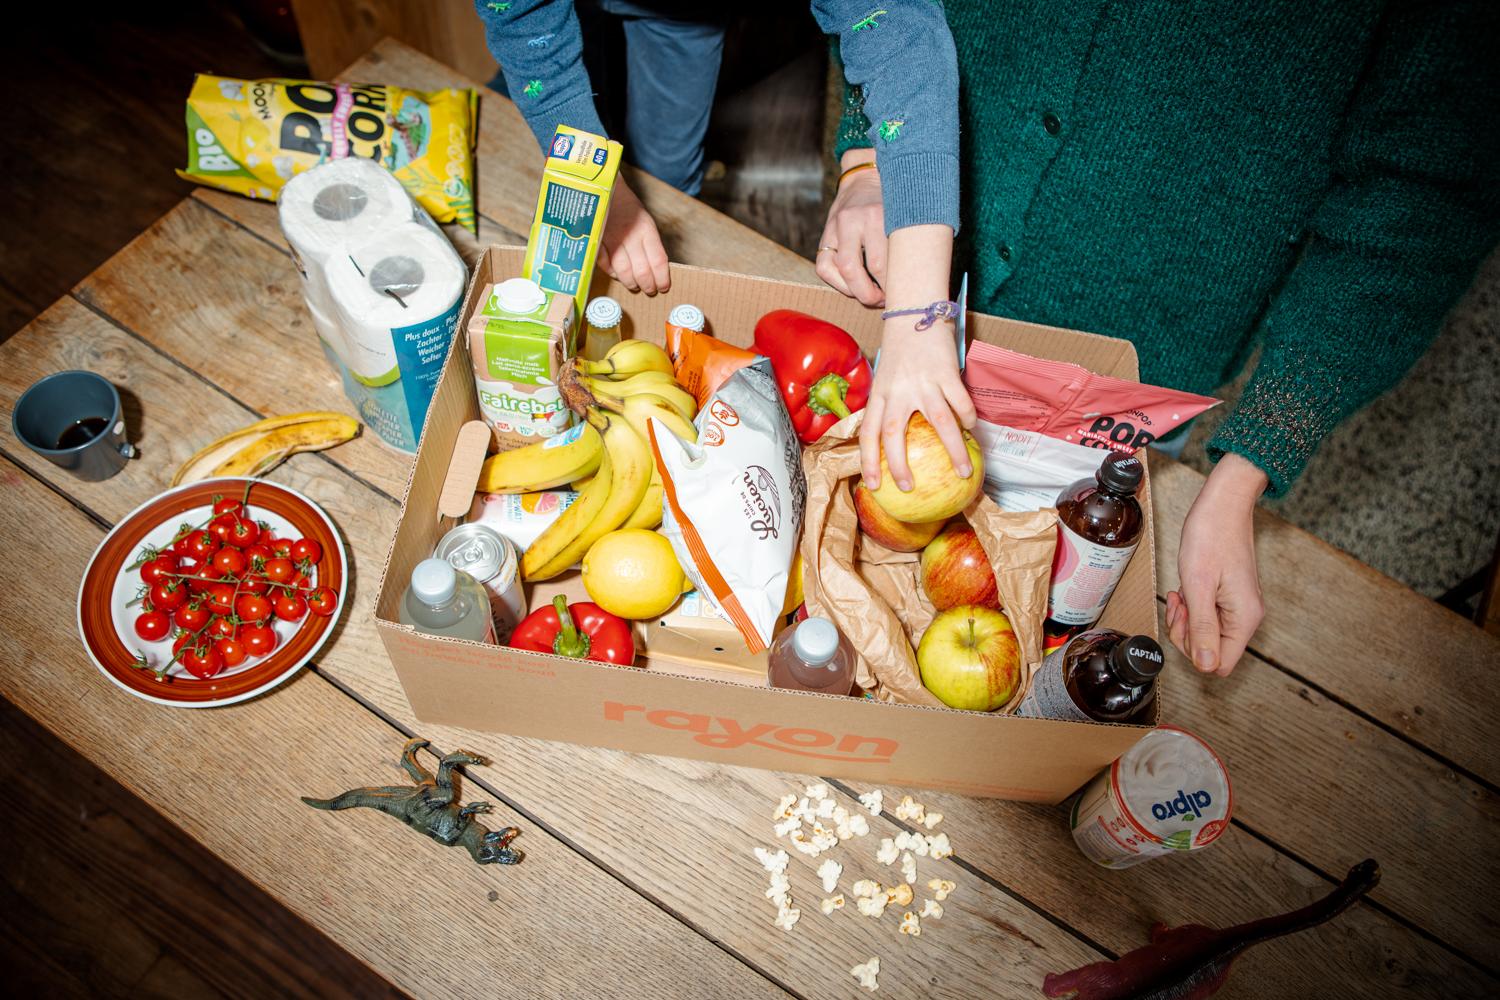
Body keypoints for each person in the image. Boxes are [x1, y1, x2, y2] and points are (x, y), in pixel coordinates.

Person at [822, 0, 1500, 676]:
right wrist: (871, 158)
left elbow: (1426, 190)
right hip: (915, 277)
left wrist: (1252, 462)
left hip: (1136, 373)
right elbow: (887, 16)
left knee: (1067, 586)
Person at [475, 0, 963, 337]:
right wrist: (600, 185)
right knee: (535, 127)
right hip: (544, 17)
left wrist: (918, 315)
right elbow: (531, 39)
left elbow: (898, 32)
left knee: (671, 179)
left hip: (684, 16)